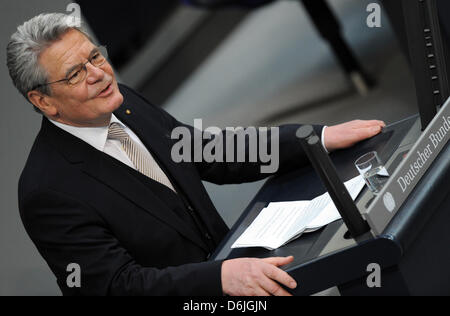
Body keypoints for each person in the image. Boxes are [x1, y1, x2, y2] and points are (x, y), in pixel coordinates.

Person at [8, 13, 385, 296]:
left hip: (234, 276)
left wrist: (314, 138)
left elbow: (207, 153)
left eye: (95, 57)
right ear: (43, 101)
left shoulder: (124, 102)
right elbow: (116, 285)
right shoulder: (48, 192)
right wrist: (220, 278)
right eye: (75, 74)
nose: (99, 74)